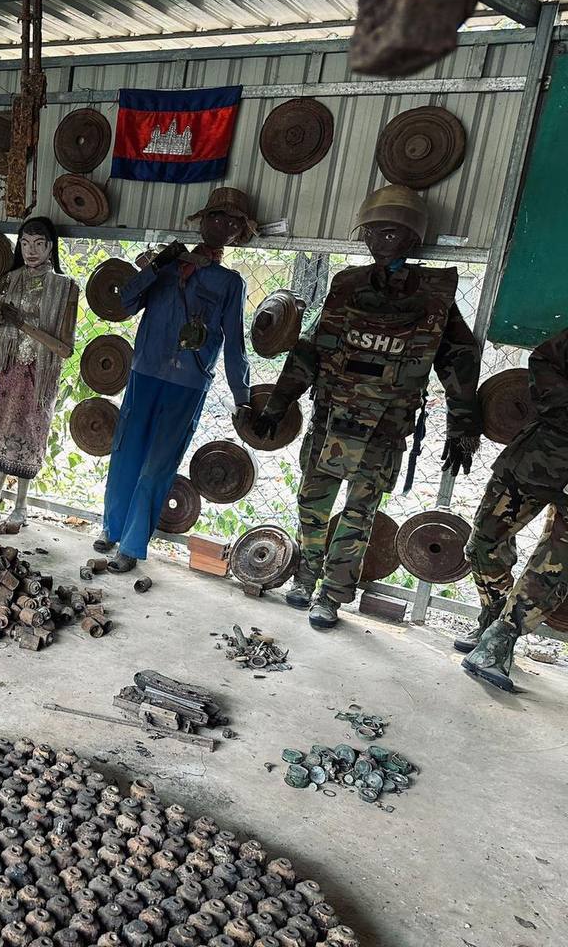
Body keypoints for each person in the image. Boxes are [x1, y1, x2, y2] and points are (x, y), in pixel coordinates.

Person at [256, 185, 482, 630]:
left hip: (384, 426)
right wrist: (278, 403)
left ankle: (333, 596)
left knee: (358, 516)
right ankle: (304, 576)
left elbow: (457, 361)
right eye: (376, 231)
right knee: (311, 503)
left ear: (414, 238)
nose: (383, 241)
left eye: (395, 233)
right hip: (331, 417)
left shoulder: (433, 296)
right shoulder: (348, 285)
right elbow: (311, 351)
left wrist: (463, 423)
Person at [94, 187, 256, 574]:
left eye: (233, 223)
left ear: (238, 234)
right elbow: (127, 301)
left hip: (187, 382)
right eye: (216, 218)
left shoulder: (230, 283)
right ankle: (111, 528)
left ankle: (131, 545)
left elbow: (234, 342)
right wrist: (157, 264)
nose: (223, 226)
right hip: (145, 371)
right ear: (202, 222)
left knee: (158, 464)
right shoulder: (166, 266)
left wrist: (242, 396)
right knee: (126, 452)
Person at [457, 328, 568, 691]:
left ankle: (501, 638)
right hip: (542, 456)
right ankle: (492, 615)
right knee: (483, 542)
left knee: (555, 566)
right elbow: (545, 359)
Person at [0, 217, 79, 528]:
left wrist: (23, 325)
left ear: (50, 247)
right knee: (2, 430)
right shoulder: (10, 279)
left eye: (38, 244)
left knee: (30, 432)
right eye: (25, 243)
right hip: (8, 369)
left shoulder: (65, 288)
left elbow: (66, 349)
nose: (30, 250)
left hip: (39, 373)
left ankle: (20, 505)